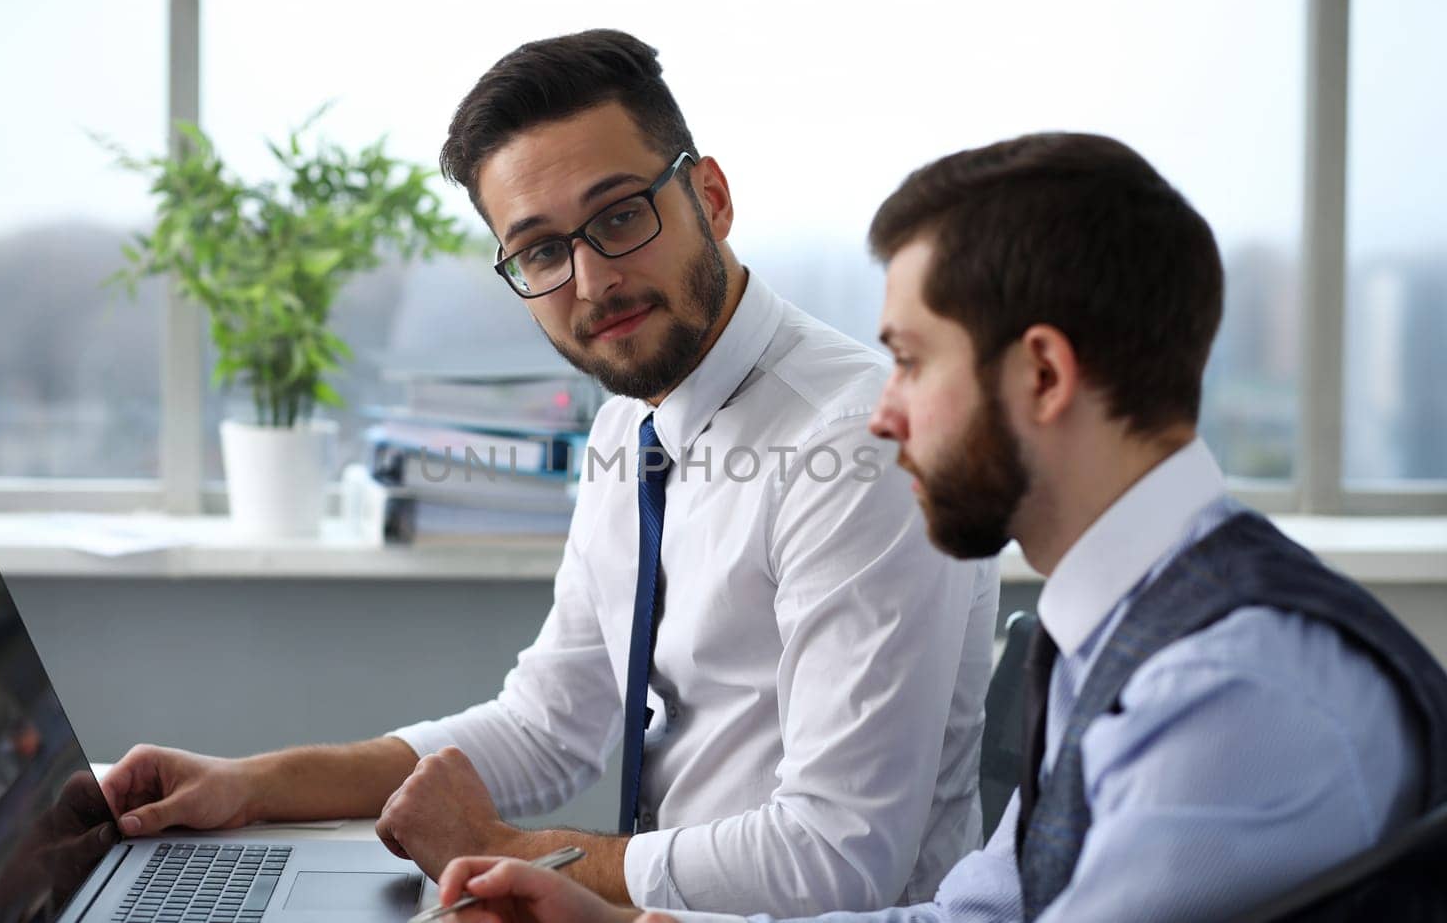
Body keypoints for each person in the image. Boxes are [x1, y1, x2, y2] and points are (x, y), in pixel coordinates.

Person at [425, 131, 1447, 923]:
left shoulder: (1227, 690)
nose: (881, 411)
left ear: (1042, 374)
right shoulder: (1124, 629)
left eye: (911, 360)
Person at [99, 30, 999, 918]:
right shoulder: (629, 427)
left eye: (619, 217)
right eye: (540, 250)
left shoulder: (858, 443)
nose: (592, 279)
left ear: (712, 199)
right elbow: (547, 726)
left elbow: (839, 861)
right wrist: (251, 785)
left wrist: (514, 854)